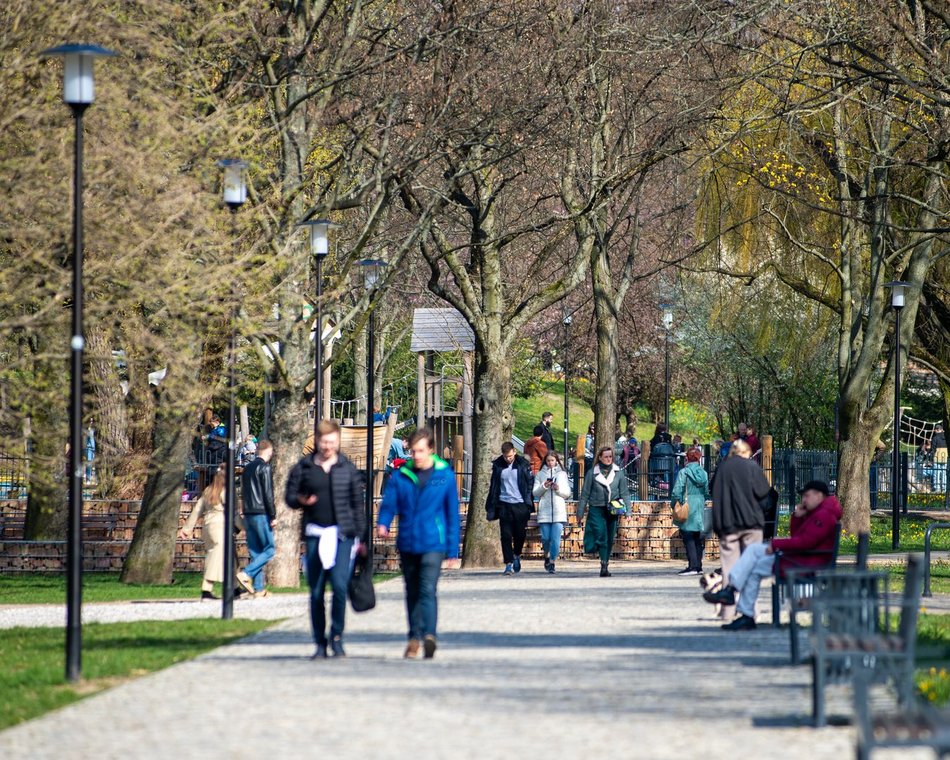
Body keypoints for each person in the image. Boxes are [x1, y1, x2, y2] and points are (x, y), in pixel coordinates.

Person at [704, 480, 842, 630]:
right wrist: (797, 517)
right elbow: (798, 536)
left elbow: (805, 542)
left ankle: (733, 596)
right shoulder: (819, 513)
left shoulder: (824, 515)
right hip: (801, 560)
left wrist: (775, 545)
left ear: (819, 495)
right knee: (753, 565)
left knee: (754, 553)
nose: (804, 500)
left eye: (807, 496)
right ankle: (744, 613)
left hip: (806, 564)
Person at [285, 419, 366, 659]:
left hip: (342, 535)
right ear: (317, 441)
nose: (327, 446)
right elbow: (289, 496)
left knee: (340, 587)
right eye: (323, 442)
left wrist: (361, 540)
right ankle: (319, 642)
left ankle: (337, 637)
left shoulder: (347, 468)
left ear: (338, 441)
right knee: (317, 591)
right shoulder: (304, 467)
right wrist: (301, 500)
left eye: (331, 442)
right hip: (315, 534)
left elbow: (357, 506)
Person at [378, 427, 460, 659]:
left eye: (421, 451)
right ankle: (413, 637)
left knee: (427, 589)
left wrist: (453, 550)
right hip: (407, 540)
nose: (416, 456)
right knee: (411, 590)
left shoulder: (444, 475)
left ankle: (429, 636)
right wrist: (383, 523)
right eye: (413, 451)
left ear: (431, 450)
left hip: (434, 541)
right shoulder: (402, 474)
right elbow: (389, 502)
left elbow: (452, 514)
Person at [709, 438, 773, 622]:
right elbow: (764, 494)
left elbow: (712, 490)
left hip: (728, 524)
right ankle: (750, 610)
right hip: (751, 524)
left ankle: (727, 612)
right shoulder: (752, 467)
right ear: (746, 452)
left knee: (729, 568)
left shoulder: (723, 468)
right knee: (750, 568)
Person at [179, 468, 243, 601]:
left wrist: (186, 528)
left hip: (208, 527)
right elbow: (233, 513)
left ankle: (236, 588)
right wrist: (245, 527)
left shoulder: (209, 490)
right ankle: (206, 590)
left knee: (231, 557)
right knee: (215, 558)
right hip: (220, 527)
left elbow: (197, 509)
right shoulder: (228, 492)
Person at [577, 446, 631, 577]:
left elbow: (624, 492)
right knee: (601, 534)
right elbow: (584, 494)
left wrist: (628, 511)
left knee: (609, 536)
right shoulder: (592, 473)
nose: (608, 459)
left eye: (610, 456)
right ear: (600, 457)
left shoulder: (618, 473)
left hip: (613, 510)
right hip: (596, 508)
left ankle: (605, 564)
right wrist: (580, 512)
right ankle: (603, 562)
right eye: (606, 456)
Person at [486, 442, 534, 575]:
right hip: (504, 504)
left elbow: (530, 481)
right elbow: (494, 485)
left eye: (511, 456)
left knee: (520, 533)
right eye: (506, 457)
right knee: (505, 535)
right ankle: (508, 563)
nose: (508, 459)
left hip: (520, 504)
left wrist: (527, 498)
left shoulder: (522, 464)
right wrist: (491, 503)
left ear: (514, 452)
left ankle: (517, 554)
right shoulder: (498, 465)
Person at [237, 440, 276, 596]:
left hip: (248, 512)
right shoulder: (264, 468)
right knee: (270, 549)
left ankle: (259, 589)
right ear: (268, 451)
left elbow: (243, 492)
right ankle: (246, 573)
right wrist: (273, 515)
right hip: (261, 512)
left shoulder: (247, 469)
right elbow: (268, 494)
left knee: (256, 551)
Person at [670, 448, 710, 576]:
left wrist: (676, 503)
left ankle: (692, 566)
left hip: (687, 504)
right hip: (699, 505)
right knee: (697, 537)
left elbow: (677, 491)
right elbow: (706, 491)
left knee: (688, 536)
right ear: (699, 458)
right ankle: (698, 566)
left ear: (687, 458)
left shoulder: (684, 472)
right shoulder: (704, 473)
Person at [533, 452, 570, 573]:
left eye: (553, 460)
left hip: (558, 512)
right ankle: (547, 556)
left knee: (555, 539)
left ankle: (552, 561)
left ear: (556, 461)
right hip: (545, 511)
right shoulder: (540, 474)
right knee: (545, 538)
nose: (550, 463)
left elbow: (567, 493)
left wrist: (558, 488)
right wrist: (544, 486)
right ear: (545, 461)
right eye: (548, 460)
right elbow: (535, 493)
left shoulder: (562, 474)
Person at [933, 425, 947, 493]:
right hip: (945, 457)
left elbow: (933, 449)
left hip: (937, 456)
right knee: (944, 473)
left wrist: (931, 457)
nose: (934, 431)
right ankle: (944, 488)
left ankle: (937, 488)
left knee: (937, 472)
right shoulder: (946, 437)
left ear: (938, 429)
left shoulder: (935, 438)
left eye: (935, 429)